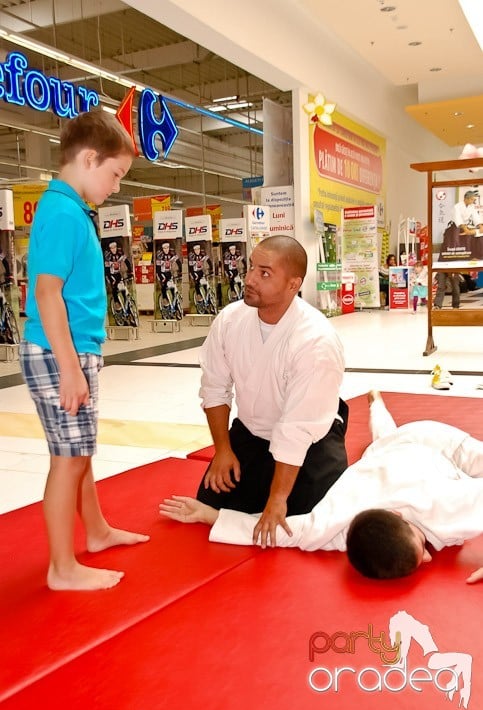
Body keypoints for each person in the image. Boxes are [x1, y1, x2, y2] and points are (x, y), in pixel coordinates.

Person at [160, 390, 483, 585]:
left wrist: (215, 516)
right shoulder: (338, 521)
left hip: (439, 445)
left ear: (397, 515)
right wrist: (211, 515)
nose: (429, 558)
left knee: (391, 436)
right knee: (384, 437)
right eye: (424, 549)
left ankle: (376, 403)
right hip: (392, 453)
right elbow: (287, 531)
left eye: (419, 548)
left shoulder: (447, 505)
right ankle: (376, 403)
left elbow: (288, 531)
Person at [19, 111, 149, 591]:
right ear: (90, 158)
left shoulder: (69, 211)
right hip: (59, 354)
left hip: (71, 351)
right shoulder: (61, 213)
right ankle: (61, 567)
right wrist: (71, 370)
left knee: (80, 452)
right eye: (114, 174)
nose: (116, 187)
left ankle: (94, 531)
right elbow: (47, 294)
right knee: (67, 458)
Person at [193, 234, 348, 548]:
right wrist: (222, 451)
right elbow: (214, 388)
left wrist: (278, 499)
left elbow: (297, 428)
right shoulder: (230, 321)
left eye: (264, 273)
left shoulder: (315, 340)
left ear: (293, 284)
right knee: (212, 499)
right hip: (251, 432)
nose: (249, 279)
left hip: (310, 440)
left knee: (310, 519)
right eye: (251, 268)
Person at [104, 239, 132, 310]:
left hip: (118, 274)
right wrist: (110, 279)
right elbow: (106, 270)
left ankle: (127, 309)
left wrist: (130, 271)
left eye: (114, 247)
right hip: (110, 274)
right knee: (114, 288)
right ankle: (116, 302)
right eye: (112, 248)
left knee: (123, 290)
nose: (113, 249)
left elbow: (127, 262)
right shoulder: (108, 256)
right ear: (110, 249)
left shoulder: (120, 253)